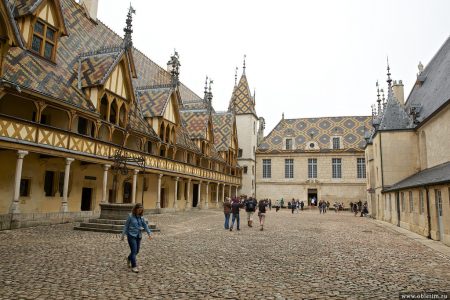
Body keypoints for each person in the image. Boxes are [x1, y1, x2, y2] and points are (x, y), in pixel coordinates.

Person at [121, 203, 153, 273]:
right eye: (139, 210)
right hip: (131, 235)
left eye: (141, 210)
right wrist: (123, 235)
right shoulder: (130, 216)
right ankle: (134, 266)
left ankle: (129, 258)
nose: (140, 211)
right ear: (135, 209)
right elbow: (126, 226)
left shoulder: (141, 217)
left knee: (137, 251)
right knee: (134, 250)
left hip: (138, 236)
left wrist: (149, 234)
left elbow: (145, 226)